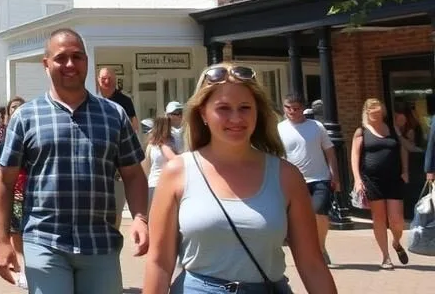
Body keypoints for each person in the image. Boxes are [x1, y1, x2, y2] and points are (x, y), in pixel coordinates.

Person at [142, 64, 336, 294]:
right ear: (203, 113)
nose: (236, 118)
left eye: (245, 107)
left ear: (257, 112)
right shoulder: (177, 172)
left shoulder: (287, 176)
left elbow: (312, 263)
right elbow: (159, 263)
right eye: (223, 108)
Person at [0, 28, 148, 293]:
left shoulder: (114, 115)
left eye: (77, 57)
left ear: (86, 61)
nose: (70, 64)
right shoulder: (26, 117)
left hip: (99, 242)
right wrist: (2, 241)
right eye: (61, 58)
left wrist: (140, 217)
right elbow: (4, 182)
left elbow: (133, 174)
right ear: (46, 64)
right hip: (45, 240)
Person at [278, 94, 340, 264]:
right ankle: (306, 250)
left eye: (295, 108)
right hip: (294, 180)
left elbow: (330, 152)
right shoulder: (280, 129)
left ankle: (320, 246)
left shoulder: (316, 127)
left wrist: (335, 175)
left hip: (319, 178)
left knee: (318, 212)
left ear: (303, 108)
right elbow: (277, 156)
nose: (291, 111)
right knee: (296, 219)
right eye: (288, 108)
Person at [351, 97, 408, 269]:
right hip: (372, 180)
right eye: (373, 113)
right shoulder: (361, 131)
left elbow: (402, 148)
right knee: (379, 219)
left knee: (397, 220)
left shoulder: (391, 129)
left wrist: (405, 170)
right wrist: (357, 179)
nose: (376, 116)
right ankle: (385, 257)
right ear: (366, 113)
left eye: (379, 113)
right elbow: (354, 156)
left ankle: (396, 243)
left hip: (393, 178)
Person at [0, 96, 28, 290]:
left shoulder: (32, 129)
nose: (17, 110)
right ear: (8, 112)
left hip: (33, 187)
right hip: (14, 186)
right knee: (16, 227)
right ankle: (21, 264)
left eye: (21, 107)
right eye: (13, 107)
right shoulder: (1, 132)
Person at [97, 67, 138, 229]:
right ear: (98, 81)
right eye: (103, 78)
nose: (106, 81)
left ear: (115, 80)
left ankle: (114, 237)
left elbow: (133, 127)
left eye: (109, 78)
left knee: (116, 207)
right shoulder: (90, 100)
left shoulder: (124, 101)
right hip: (98, 159)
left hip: (118, 161)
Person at [144, 116, 178, 211]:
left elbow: (147, 166)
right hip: (159, 183)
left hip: (164, 183)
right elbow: (147, 166)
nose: (170, 127)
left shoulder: (171, 142)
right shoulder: (154, 144)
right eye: (168, 125)